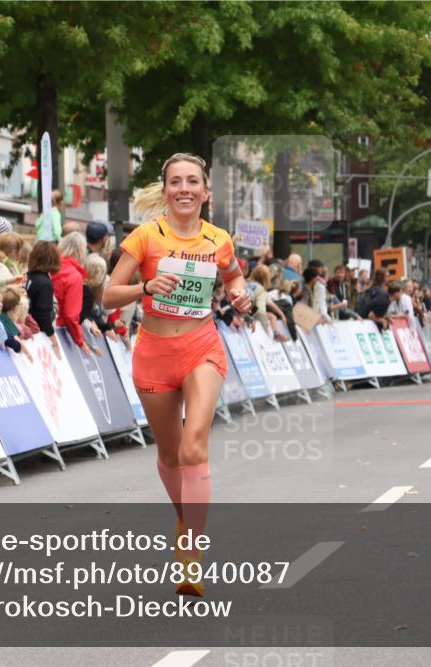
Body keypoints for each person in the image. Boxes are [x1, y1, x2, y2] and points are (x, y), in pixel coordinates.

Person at [103, 153, 251, 598]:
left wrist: (240, 296)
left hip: (201, 347)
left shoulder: (218, 239)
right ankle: (185, 520)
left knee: (193, 446)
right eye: (175, 182)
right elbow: (109, 295)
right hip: (153, 353)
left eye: (192, 182)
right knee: (170, 456)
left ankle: (192, 552)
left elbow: (235, 278)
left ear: (206, 192)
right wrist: (146, 287)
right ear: (165, 190)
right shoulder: (146, 236)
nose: (184, 189)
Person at [52, 232, 93, 356]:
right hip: (56, 329)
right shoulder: (74, 276)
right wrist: (80, 341)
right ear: (81, 251)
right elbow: (71, 314)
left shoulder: (48, 264)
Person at [23, 241, 63, 358]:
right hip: (36, 334)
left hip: (26, 329)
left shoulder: (27, 275)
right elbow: (43, 315)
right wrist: (54, 342)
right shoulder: (45, 283)